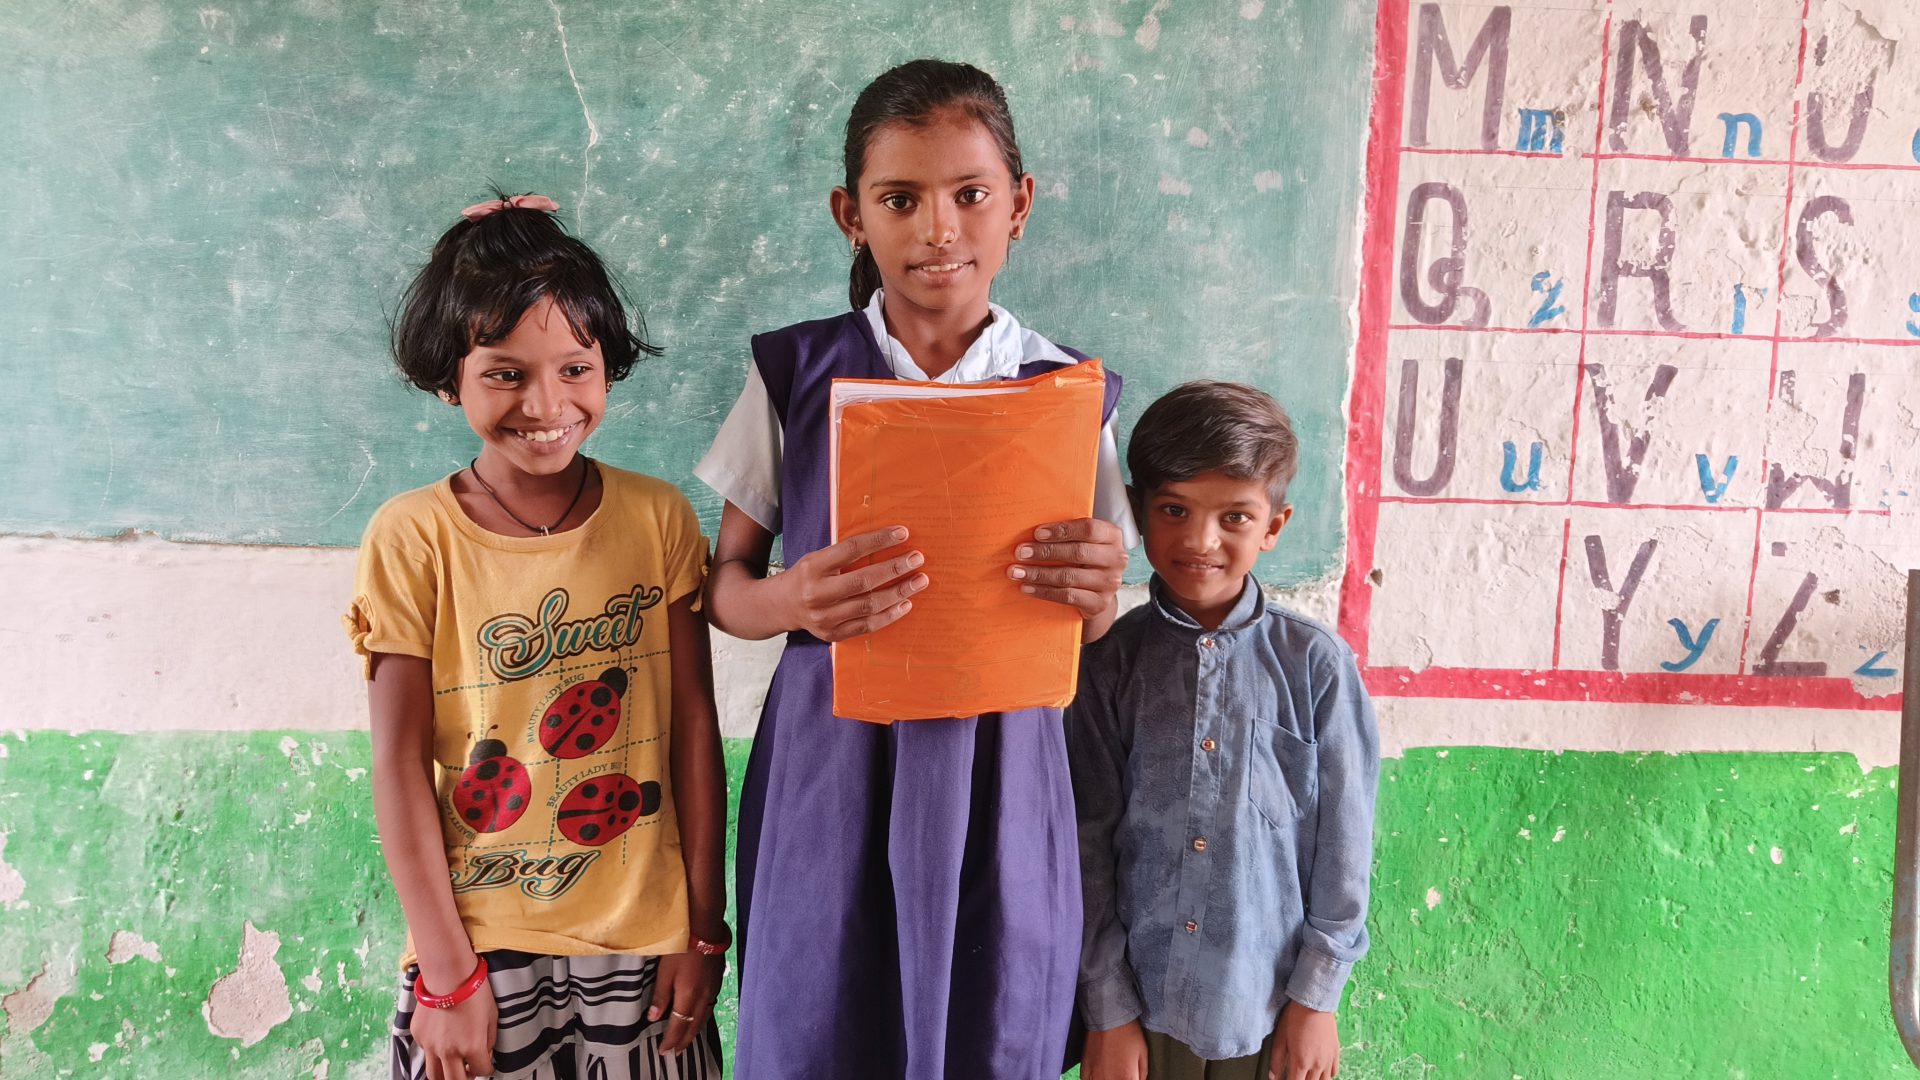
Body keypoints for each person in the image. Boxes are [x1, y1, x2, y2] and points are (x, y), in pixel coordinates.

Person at [694, 59, 1135, 1078]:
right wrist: (790, 597)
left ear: (1017, 206)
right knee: (820, 1018)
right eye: (902, 199)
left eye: (970, 195)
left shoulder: (1068, 394)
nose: (939, 229)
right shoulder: (797, 376)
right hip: (831, 762)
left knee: (989, 1020)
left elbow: (1099, 612)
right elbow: (725, 586)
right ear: (853, 215)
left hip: (1005, 763)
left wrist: (1098, 596)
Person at [346, 193, 727, 1080]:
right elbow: (399, 764)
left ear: (606, 366)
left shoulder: (659, 518)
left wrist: (703, 928)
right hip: (477, 946)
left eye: (574, 368)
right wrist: (446, 976)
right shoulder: (412, 537)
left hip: (647, 943)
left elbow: (692, 731)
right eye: (505, 373)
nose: (546, 403)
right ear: (451, 377)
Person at [1071, 382, 1379, 1080]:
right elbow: (1088, 844)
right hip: (1146, 1011)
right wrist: (1108, 1009)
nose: (1199, 540)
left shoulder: (1316, 667)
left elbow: (1345, 843)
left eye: (1235, 517)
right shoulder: (1110, 667)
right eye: (1173, 510)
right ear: (1137, 512)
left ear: (1274, 525)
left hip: (1271, 1006)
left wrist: (1318, 999)